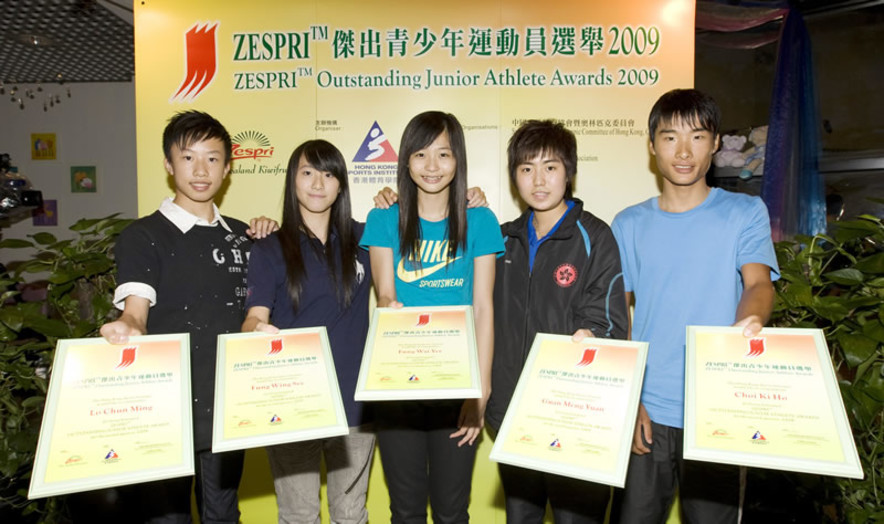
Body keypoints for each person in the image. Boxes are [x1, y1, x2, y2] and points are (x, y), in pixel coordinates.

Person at [610, 89, 779, 523]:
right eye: (669, 138)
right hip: (647, 409)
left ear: (717, 143)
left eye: (698, 137)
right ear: (652, 146)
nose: (683, 152)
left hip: (717, 410)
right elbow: (617, 315)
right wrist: (629, 400)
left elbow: (758, 282)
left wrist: (751, 321)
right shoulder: (629, 223)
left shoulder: (744, 212)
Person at [100, 110, 275, 523]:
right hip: (164, 410)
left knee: (223, 513)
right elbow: (136, 310)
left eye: (212, 159)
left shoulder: (244, 237)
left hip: (227, 406)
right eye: (188, 157)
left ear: (228, 168)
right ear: (168, 164)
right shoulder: (143, 236)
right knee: (167, 517)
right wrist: (128, 325)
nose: (201, 170)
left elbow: (260, 306)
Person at [360, 110, 504, 523]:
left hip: (457, 389)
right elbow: (385, 294)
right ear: (406, 160)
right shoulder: (384, 218)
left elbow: (483, 308)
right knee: (405, 511)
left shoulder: (480, 220)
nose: (432, 166)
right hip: (397, 387)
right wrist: (393, 312)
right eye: (421, 154)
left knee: (452, 510)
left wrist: (481, 390)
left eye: (443, 154)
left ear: (458, 159)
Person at [485, 120, 629, 523]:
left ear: (569, 171)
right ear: (514, 177)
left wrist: (591, 335)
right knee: (521, 517)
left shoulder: (595, 237)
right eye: (526, 168)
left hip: (574, 416)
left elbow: (609, 319)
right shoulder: (501, 240)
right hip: (513, 414)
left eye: (550, 167)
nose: (539, 180)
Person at [241, 139, 375, 524]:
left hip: (355, 403)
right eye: (308, 172)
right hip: (294, 404)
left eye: (329, 173)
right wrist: (255, 332)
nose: (318, 183)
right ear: (292, 180)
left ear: (341, 185)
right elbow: (254, 316)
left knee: (351, 515)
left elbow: (426, 219)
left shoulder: (366, 240)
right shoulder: (269, 247)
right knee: (299, 515)